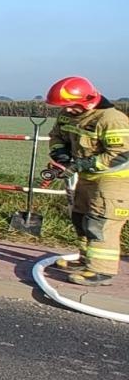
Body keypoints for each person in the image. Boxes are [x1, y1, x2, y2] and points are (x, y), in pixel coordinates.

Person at [44, 75, 129, 286]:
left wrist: (78, 165)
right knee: (81, 219)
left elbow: (120, 155)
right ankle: (85, 260)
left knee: (100, 223)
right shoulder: (68, 115)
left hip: (113, 180)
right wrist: (61, 156)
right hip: (87, 179)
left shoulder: (111, 119)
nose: (68, 110)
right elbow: (57, 136)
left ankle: (102, 271)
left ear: (87, 100)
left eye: (72, 106)